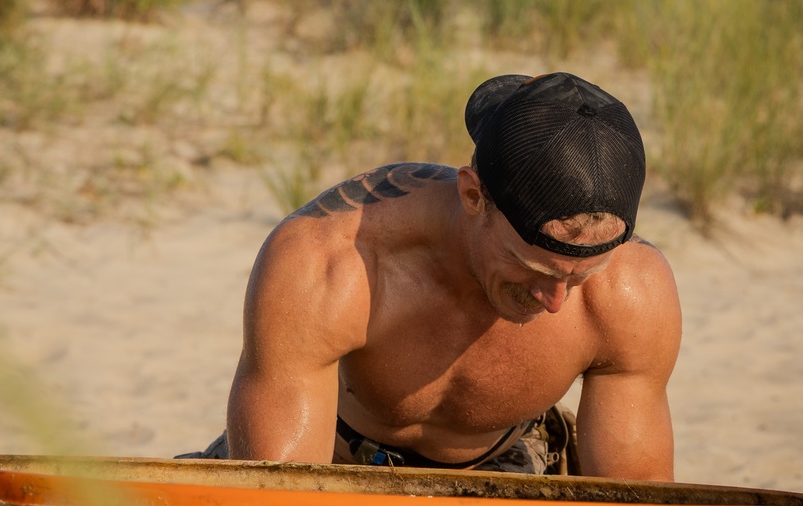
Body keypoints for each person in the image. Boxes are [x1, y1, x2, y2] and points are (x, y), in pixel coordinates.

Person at [186, 72, 681, 481]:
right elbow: (279, 493)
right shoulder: (331, 260)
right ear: (472, 197)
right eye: (534, 269)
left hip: (511, 461)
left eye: (578, 279)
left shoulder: (630, 292)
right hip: (335, 455)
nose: (555, 301)